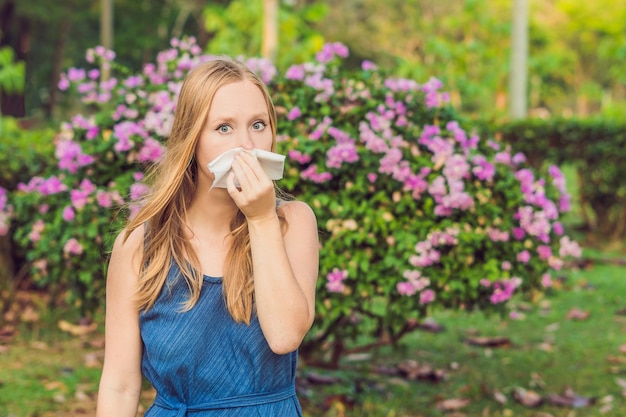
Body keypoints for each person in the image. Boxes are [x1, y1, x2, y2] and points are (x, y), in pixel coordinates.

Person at [96, 58, 320, 416]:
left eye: (258, 125)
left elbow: (284, 336)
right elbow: (120, 385)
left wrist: (260, 218)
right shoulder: (141, 244)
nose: (247, 145)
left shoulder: (291, 223)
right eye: (224, 128)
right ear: (192, 138)